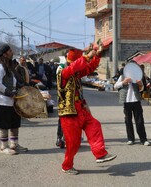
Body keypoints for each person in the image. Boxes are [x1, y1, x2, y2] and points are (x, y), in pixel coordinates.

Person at [58, 46, 116, 175]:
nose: (81, 66)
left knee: (94, 125)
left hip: (81, 109)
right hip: (69, 114)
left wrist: (97, 56)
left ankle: (100, 154)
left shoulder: (76, 72)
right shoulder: (64, 72)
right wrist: (87, 56)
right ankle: (67, 166)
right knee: (73, 143)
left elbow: (89, 67)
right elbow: (75, 67)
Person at [0, 44, 28, 155]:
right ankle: (4, 147)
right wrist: (10, 93)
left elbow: (14, 82)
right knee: (4, 124)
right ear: (5, 54)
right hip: (2, 101)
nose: (12, 52)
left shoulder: (8, 66)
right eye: (10, 51)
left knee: (14, 123)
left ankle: (14, 145)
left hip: (12, 101)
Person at [114, 61, 151, 146]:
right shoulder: (122, 76)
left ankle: (143, 139)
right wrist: (123, 82)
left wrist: (140, 84)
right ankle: (131, 139)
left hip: (136, 101)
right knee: (128, 120)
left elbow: (142, 89)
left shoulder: (138, 76)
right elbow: (115, 86)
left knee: (139, 121)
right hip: (126, 102)